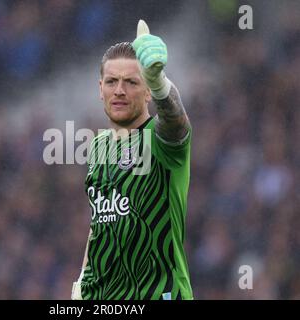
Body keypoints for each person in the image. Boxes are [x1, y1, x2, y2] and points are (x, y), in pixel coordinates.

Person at [72, 20, 193, 300]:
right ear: (100, 89)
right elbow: (100, 225)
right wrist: (80, 286)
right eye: (112, 82)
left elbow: (175, 122)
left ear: (148, 90)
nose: (119, 90)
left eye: (132, 82)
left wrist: (161, 84)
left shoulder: (160, 139)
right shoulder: (99, 147)